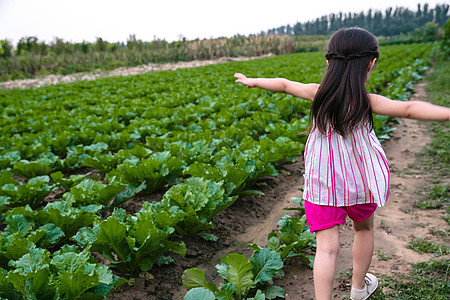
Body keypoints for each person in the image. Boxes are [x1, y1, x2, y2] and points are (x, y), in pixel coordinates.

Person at [234, 27, 450, 300]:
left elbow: (285, 84)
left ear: (328, 63)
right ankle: (359, 289)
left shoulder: (319, 94)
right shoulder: (366, 101)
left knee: (326, 247)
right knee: (364, 228)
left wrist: (252, 80)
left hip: (322, 182)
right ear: (370, 63)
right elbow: (408, 108)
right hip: (359, 181)